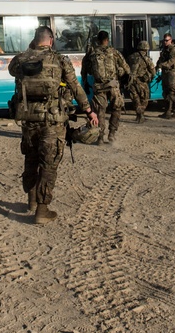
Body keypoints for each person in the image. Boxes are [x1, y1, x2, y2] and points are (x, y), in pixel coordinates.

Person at [8, 25, 98, 224]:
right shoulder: (60, 60)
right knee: (48, 164)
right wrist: (89, 111)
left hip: (28, 119)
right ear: (50, 40)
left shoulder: (21, 59)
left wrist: (31, 50)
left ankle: (31, 201)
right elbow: (75, 87)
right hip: (53, 121)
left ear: (34, 40)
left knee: (30, 158)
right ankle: (42, 210)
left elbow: (11, 69)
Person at [83, 30, 131, 144]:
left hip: (99, 86)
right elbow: (126, 68)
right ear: (107, 40)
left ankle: (100, 137)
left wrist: (85, 83)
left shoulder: (92, 53)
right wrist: (121, 74)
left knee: (100, 112)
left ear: (98, 41)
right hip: (113, 86)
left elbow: (84, 70)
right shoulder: (114, 52)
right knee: (116, 108)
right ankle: (112, 134)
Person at [156, 32, 175, 118]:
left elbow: (171, 61)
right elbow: (160, 60)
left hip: (172, 73)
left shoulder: (173, 49)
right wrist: (157, 66)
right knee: (166, 93)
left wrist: (162, 65)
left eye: (166, 40)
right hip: (166, 73)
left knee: (173, 93)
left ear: (171, 40)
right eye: (164, 40)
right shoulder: (165, 50)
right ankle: (167, 111)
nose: (165, 42)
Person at [127, 40, 156, 122]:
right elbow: (153, 71)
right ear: (146, 49)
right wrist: (149, 77)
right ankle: (141, 115)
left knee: (136, 99)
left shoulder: (131, 57)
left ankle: (138, 116)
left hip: (132, 82)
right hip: (141, 82)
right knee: (144, 99)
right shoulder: (147, 59)